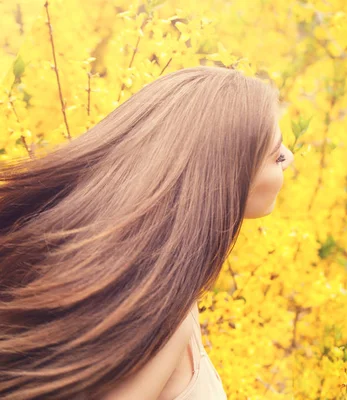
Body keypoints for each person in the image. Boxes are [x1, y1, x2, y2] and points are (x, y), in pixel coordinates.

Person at [0, 66, 295, 399]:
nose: (290, 158)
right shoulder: (162, 311)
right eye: (277, 154)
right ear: (227, 174)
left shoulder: (154, 281)